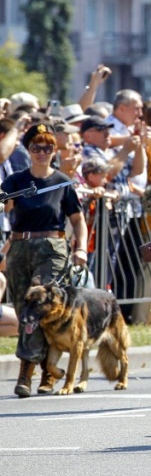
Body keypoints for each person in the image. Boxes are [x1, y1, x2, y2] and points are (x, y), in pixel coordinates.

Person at [8, 122, 88, 397]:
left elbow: (78, 221)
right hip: (20, 247)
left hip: (52, 248)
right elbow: (4, 203)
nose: (42, 153)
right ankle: (48, 370)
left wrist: (81, 249)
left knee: (38, 302)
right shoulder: (16, 181)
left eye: (48, 147)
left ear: (55, 150)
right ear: (28, 150)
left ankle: (28, 376)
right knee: (24, 311)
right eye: (36, 147)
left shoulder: (62, 182)